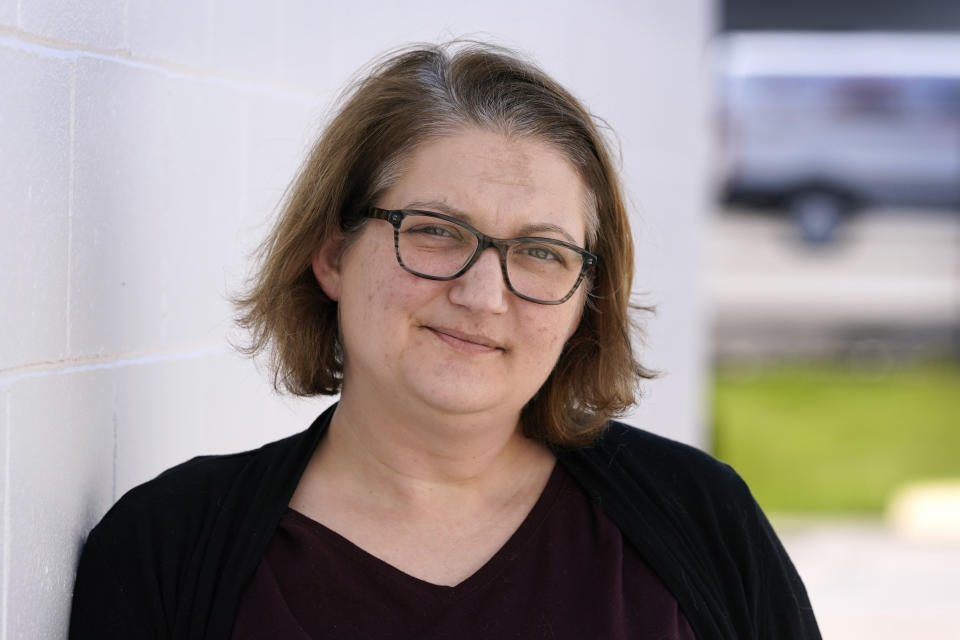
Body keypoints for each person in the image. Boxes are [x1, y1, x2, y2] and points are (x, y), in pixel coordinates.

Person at [69, 42, 821, 639]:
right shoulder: (169, 547)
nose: (482, 294)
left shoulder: (698, 517)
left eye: (541, 252)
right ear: (332, 253)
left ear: (584, 300)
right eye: (434, 232)